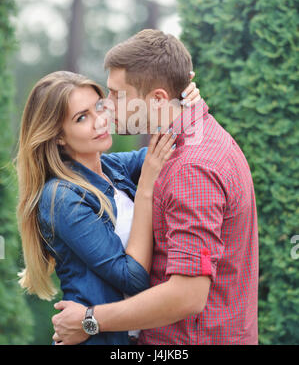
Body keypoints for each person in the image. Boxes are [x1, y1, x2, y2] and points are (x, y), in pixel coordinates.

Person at [52, 29, 259, 345]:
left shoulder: (191, 168)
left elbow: (187, 296)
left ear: (158, 98)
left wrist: (90, 321)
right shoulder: (183, 140)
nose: (107, 106)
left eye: (116, 95)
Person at [16, 70, 198, 345]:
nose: (100, 121)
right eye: (81, 117)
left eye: (99, 108)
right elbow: (132, 276)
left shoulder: (114, 168)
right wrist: (146, 188)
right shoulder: (61, 198)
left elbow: (170, 145)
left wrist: (181, 100)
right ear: (58, 137)